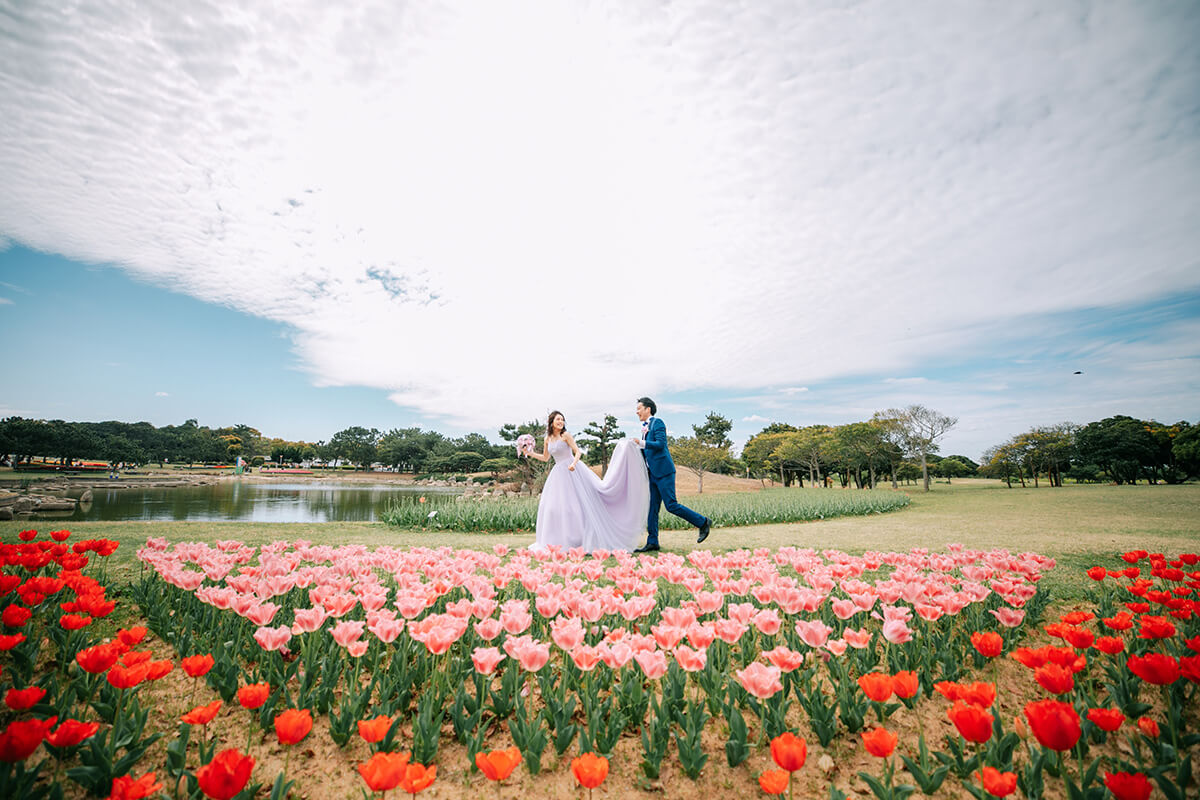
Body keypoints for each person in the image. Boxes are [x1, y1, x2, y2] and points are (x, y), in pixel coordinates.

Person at [523, 410, 649, 553]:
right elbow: (546, 458)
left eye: (562, 420)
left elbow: (578, 452)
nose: (560, 422)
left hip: (572, 470)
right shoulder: (547, 439)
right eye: (558, 419)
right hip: (558, 474)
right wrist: (530, 453)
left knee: (577, 506)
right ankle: (558, 540)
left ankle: (578, 539)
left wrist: (573, 464)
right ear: (551, 422)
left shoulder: (566, 436)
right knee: (554, 507)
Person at [633, 397, 711, 552]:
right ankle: (652, 542)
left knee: (671, 505)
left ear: (648, 409)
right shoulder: (644, 428)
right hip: (652, 474)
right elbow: (646, 451)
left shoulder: (658, 423)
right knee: (652, 508)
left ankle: (703, 522)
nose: (637, 412)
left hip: (664, 472)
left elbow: (661, 444)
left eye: (639, 408)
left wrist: (641, 443)